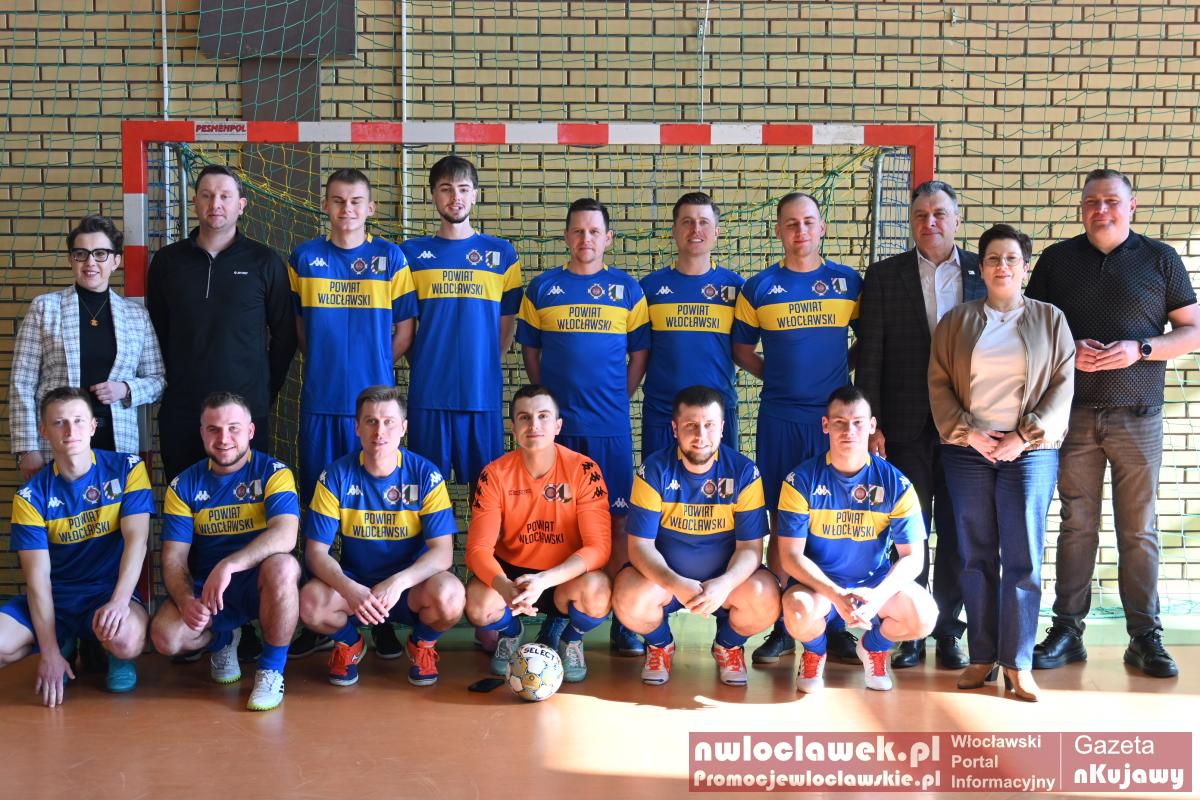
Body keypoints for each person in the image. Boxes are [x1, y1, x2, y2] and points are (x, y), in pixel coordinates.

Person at [1026, 168, 1200, 678]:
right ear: (1082, 208)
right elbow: (1029, 327)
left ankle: (1144, 636)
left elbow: (1192, 331)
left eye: (1111, 201)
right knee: (1076, 525)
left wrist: (1139, 349)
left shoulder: (1161, 259)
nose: (1100, 210)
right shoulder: (1057, 260)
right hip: (1073, 415)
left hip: (1138, 415)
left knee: (1138, 529)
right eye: (1091, 202)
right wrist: (1066, 348)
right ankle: (1067, 631)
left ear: (1132, 206)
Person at [929, 224, 1075, 702]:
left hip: (1029, 453)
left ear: (1025, 267)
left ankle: (1018, 663)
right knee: (974, 555)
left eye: (1011, 258)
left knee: (1022, 558)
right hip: (968, 451)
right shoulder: (957, 321)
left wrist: (1024, 436)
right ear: (981, 267)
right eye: (993, 258)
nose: (1002, 266)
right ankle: (981, 656)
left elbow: (1063, 385)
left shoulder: (1050, 319)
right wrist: (967, 433)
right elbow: (939, 383)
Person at [288, 168, 418, 659]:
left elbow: (405, 330)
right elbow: (300, 329)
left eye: (356, 201)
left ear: (370, 208)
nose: (347, 209)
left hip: (374, 412)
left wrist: (377, 370)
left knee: (376, 512)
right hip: (322, 405)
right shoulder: (305, 258)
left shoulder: (391, 258)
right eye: (339, 201)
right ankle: (324, 621)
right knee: (318, 512)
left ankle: (380, 619)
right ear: (326, 205)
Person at [856, 181, 984, 670]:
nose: (929, 222)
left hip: (968, 426)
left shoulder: (983, 270)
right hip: (904, 424)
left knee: (958, 530)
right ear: (911, 222)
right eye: (920, 215)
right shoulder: (884, 276)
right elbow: (870, 356)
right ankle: (910, 628)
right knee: (910, 532)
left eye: (939, 214)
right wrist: (873, 424)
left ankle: (949, 630)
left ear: (956, 220)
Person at [731, 192, 863, 665]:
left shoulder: (847, 282)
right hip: (780, 419)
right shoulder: (759, 287)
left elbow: (867, 340)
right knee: (779, 520)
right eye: (791, 223)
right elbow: (742, 351)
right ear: (779, 231)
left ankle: (835, 625)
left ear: (822, 227)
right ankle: (784, 627)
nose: (800, 231)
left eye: (808, 222)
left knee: (832, 520)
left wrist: (837, 374)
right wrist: (781, 378)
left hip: (831, 421)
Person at [516, 197, 650, 656]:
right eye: (577, 231)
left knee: (617, 520)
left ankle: (621, 619)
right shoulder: (542, 289)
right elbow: (531, 353)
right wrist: (549, 409)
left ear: (607, 238)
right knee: (556, 521)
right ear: (566, 236)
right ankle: (557, 616)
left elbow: (639, 356)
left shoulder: (628, 290)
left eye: (594, 231)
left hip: (609, 428)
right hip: (559, 431)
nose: (585, 239)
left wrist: (616, 400)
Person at [400, 155, 522, 655]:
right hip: (428, 398)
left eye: (464, 188)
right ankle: (427, 605)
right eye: (446, 188)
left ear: (476, 195)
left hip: (481, 401)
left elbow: (507, 329)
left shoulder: (501, 255)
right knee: (423, 506)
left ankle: (488, 609)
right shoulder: (411, 255)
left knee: (487, 509)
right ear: (433, 195)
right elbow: (405, 328)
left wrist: (479, 366)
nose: (456, 197)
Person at [299, 385, 464, 688]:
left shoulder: (425, 475)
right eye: (371, 421)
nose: (379, 431)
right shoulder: (336, 476)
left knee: (451, 595)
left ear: (403, 427)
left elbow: (442, 553)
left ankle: (422, 644)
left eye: (389, 422)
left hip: (409, 588)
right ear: (357, 427)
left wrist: (398, 583)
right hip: (356, 588)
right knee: (310, 602)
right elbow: (315, 553)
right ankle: (349, 644)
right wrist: (349, 588)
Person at [613, 385, 779, 686]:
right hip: (666, 583)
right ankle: (660, 645)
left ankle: (728, 646)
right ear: (675, 428)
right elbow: (639, 547)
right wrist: (675, 582)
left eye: (709, 425)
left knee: (765, 596)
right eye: (690, 425)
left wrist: (724, 584)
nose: (701, 435)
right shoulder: (653, 470)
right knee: (627, 595)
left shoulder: (744, 472)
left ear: (722, 428)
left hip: (724, 584)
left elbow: (751, 549)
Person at [776, 385, 937, 693]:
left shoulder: (896, 483)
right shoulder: (801, 481)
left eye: (858, 422)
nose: (849, 431)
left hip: (872, 585)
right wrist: (837, 595)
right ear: (826, 425)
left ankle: (873, 647)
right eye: (839, 422)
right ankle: (815, 652)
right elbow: (790, 557)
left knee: (924, 616)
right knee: (796, 609)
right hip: (820, 586)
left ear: (872, 425)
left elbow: (913, 557)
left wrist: (877, 596)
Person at [149, 392, 302, 712]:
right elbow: (174, 558)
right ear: (202, 433)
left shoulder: (274, 473)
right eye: (214, 429)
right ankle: (223, 639)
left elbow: (286, 535)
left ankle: (271, 669)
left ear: (250, 431)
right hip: (210, 589)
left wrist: (230, 564)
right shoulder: (184, 485)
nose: (224, 439)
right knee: (165, 637)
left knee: (285, 567)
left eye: (233, 428)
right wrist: (186, 600)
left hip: (259, 583)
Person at [0, 387, 153, 705]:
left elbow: (137, 541)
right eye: (59, 423)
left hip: (106, 594)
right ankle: (60, 640)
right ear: (44, 431)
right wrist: (49, 653)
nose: (71, 431)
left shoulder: (128, 469)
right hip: (57, 598)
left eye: (79, 420)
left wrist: (119, 602)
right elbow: (38, 580)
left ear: (94, 426)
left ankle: (115, 655)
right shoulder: (30, 496)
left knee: (127, 640)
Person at [147, 164, 297, 482]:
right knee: (184, 498)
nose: (215, 204)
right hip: (183, 409)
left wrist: (264, 390)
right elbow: (155, 332)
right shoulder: (167, 262)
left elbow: (285, 335)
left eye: (225, 196)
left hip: (245, 410)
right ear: (195, 201)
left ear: (241, 205)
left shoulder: (265, 262)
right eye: (207, 195)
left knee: (245, 502)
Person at [464, 385, 612, 682]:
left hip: (563, 576)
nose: (534, 425)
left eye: (544, 416)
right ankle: (510, 632)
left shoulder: (584, 470)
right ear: (513, 426)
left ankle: (571, 639)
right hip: (514, 577)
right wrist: (505, 587)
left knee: (597, 591)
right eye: (525, 417)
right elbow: (477, 550)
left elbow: (599, 548)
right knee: (478, 603)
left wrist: (545, 580)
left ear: (558, 426)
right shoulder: (494, 474)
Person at [11, 214, 165, 479]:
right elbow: (22, 383)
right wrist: (26, 448)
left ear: (116, 261)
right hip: (58, 443)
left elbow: (158, 380)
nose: (90, 262)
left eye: (100, 254)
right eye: (81, 254)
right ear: (71, 259)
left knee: (116, 506)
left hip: (116, 442)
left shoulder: (135, 316)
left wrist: (126, 388)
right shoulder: (45, 309)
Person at [637, 192, 744, 456]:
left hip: (716, 414)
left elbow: (745, 349)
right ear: (674, 230)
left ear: (716, 231)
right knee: (657, 481)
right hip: (663, 412)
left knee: (720, 483)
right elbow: (639, 353)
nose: (696, 229)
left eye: (703, 222)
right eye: (687, 222)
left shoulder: (736, 288)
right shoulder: (648, 288)